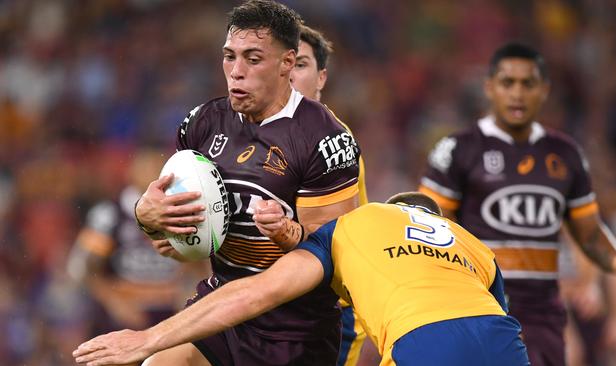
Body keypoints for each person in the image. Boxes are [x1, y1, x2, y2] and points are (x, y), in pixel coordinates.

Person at [132, 1, 361, 365]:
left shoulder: (326, 140)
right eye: (229, 57)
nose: (236, 72)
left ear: (287, 63)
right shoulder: (203, 121)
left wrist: (290, 234)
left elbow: (336, 260)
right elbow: (177, 241)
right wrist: (149, 218)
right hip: (220, 307)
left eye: (253, 59)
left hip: (295, 330)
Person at [73, 192, 530, 366]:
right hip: (501, 337)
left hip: (423, 341)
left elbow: (255, 293)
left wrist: (147, 340)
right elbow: (493, 318)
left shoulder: (356, 225)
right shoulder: (472, 243)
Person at [418, 42, 616, 365]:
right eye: (507, 83)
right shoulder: (457, 150)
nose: (517, 93)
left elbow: (589, 233)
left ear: (544, 90)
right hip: (483, 305)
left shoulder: (565, 154)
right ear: (489, 87)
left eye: (528, 84)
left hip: (544, 314)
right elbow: (427, 226)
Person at [291, 24, 369, 366]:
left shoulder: (333, 141)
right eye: (284, 63)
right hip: (278, 303)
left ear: (321, 78)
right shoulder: (261, 134)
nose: (289, 74)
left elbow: (324, 239)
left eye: (301, 64)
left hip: (329, 308)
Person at [66, 148, 191, 335]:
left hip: (171, 317)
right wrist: (114, 301)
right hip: (122, 320)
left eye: (160, 168)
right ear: (132, 173)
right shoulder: (109, 215)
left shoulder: (183, 212)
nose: (154, 175)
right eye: (147, 168)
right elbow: (81, 269)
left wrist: (189, 293)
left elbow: (201, 262)